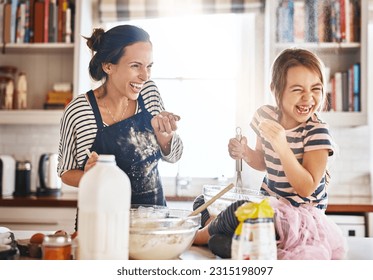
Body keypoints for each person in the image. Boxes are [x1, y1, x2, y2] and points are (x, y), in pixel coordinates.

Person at [193, 48, 346, 260]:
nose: (308, 98)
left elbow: (306, 187)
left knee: (239, 209)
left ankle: (199, 236)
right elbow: (263, 161)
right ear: (276, 90)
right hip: (268, 209)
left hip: (298, 222)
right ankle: (229, 239)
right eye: (297, 89)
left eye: (316, 89)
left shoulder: (317, 132)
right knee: (203, 201)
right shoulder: (264, 116)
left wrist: (281, 145)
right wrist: (245, 152)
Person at [58, 25, 183, 209]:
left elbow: (174, 156)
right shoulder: (79, 110)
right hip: (101, 221)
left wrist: (165, 137)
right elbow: (65, 171)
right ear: (108, 66)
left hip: (152, 221)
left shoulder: (149, 94)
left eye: (149, 66)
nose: (145, 76)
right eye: (135, 66)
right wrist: (89, 176)